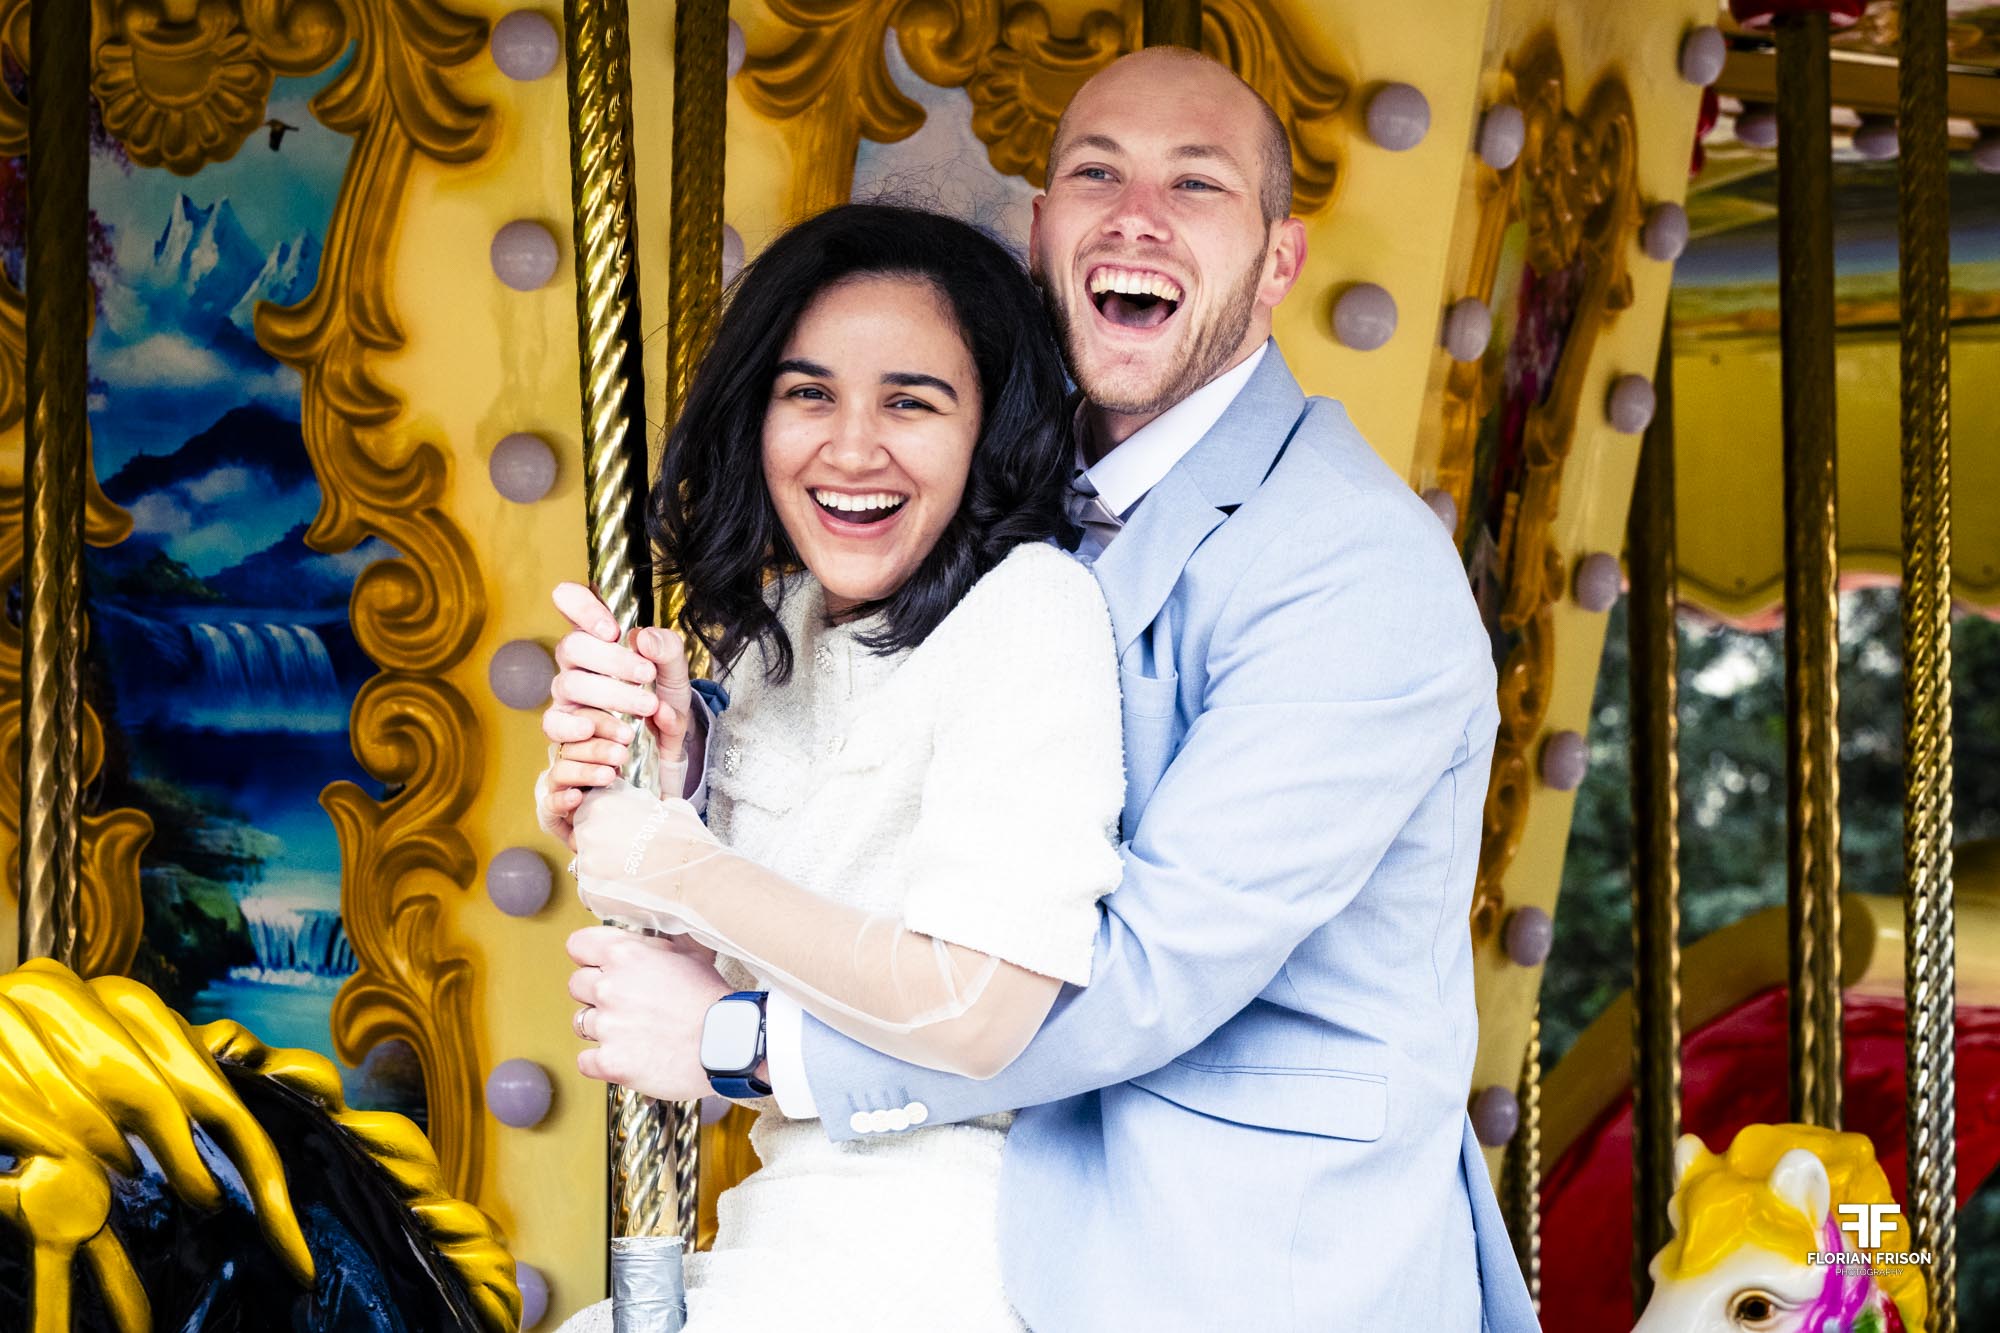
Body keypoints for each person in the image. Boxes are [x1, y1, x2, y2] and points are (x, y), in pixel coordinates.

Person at [542, 47, 1540, 1333]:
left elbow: (1139, 975)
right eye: (1095, 173)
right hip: (963, 1213)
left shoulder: (1349, 566)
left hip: (1224, 1258)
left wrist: (745, 1044)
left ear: (1279, 261)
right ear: (1039, 230)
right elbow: (881, 809)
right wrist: (681, 759)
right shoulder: (978, 496)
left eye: (1196, 184)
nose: (1136, 215)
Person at [548, 199, 1128, 1332]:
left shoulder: (1029, 609)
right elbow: (716, 972)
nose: (850, 447)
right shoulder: (787, 630)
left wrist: (675, 870)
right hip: (788, 1227)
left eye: (910, 402)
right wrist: (661, 762)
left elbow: (976, 1005)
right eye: (807, 393)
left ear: (986, 430)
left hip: (943, 1254)